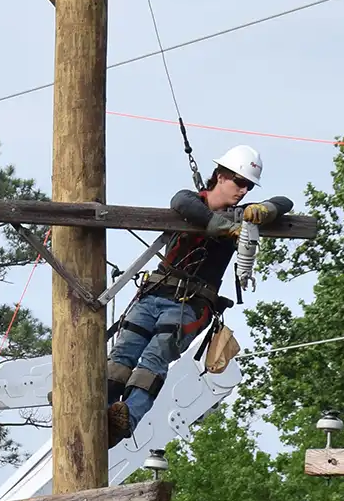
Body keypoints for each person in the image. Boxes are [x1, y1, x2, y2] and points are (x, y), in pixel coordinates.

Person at [106, 145, 294, 444]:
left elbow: (285, 202)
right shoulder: (191, 203)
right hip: (154, 294)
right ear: (220, 176)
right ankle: (97, 411)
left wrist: (266, 209)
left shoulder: (242, 215)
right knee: (121, 356)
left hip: (188, 305)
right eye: (239, 182)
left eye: (248, 186)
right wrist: (220, 226)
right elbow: (181, 200)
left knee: (154, 359)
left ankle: (124, 419)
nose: (243, 191)